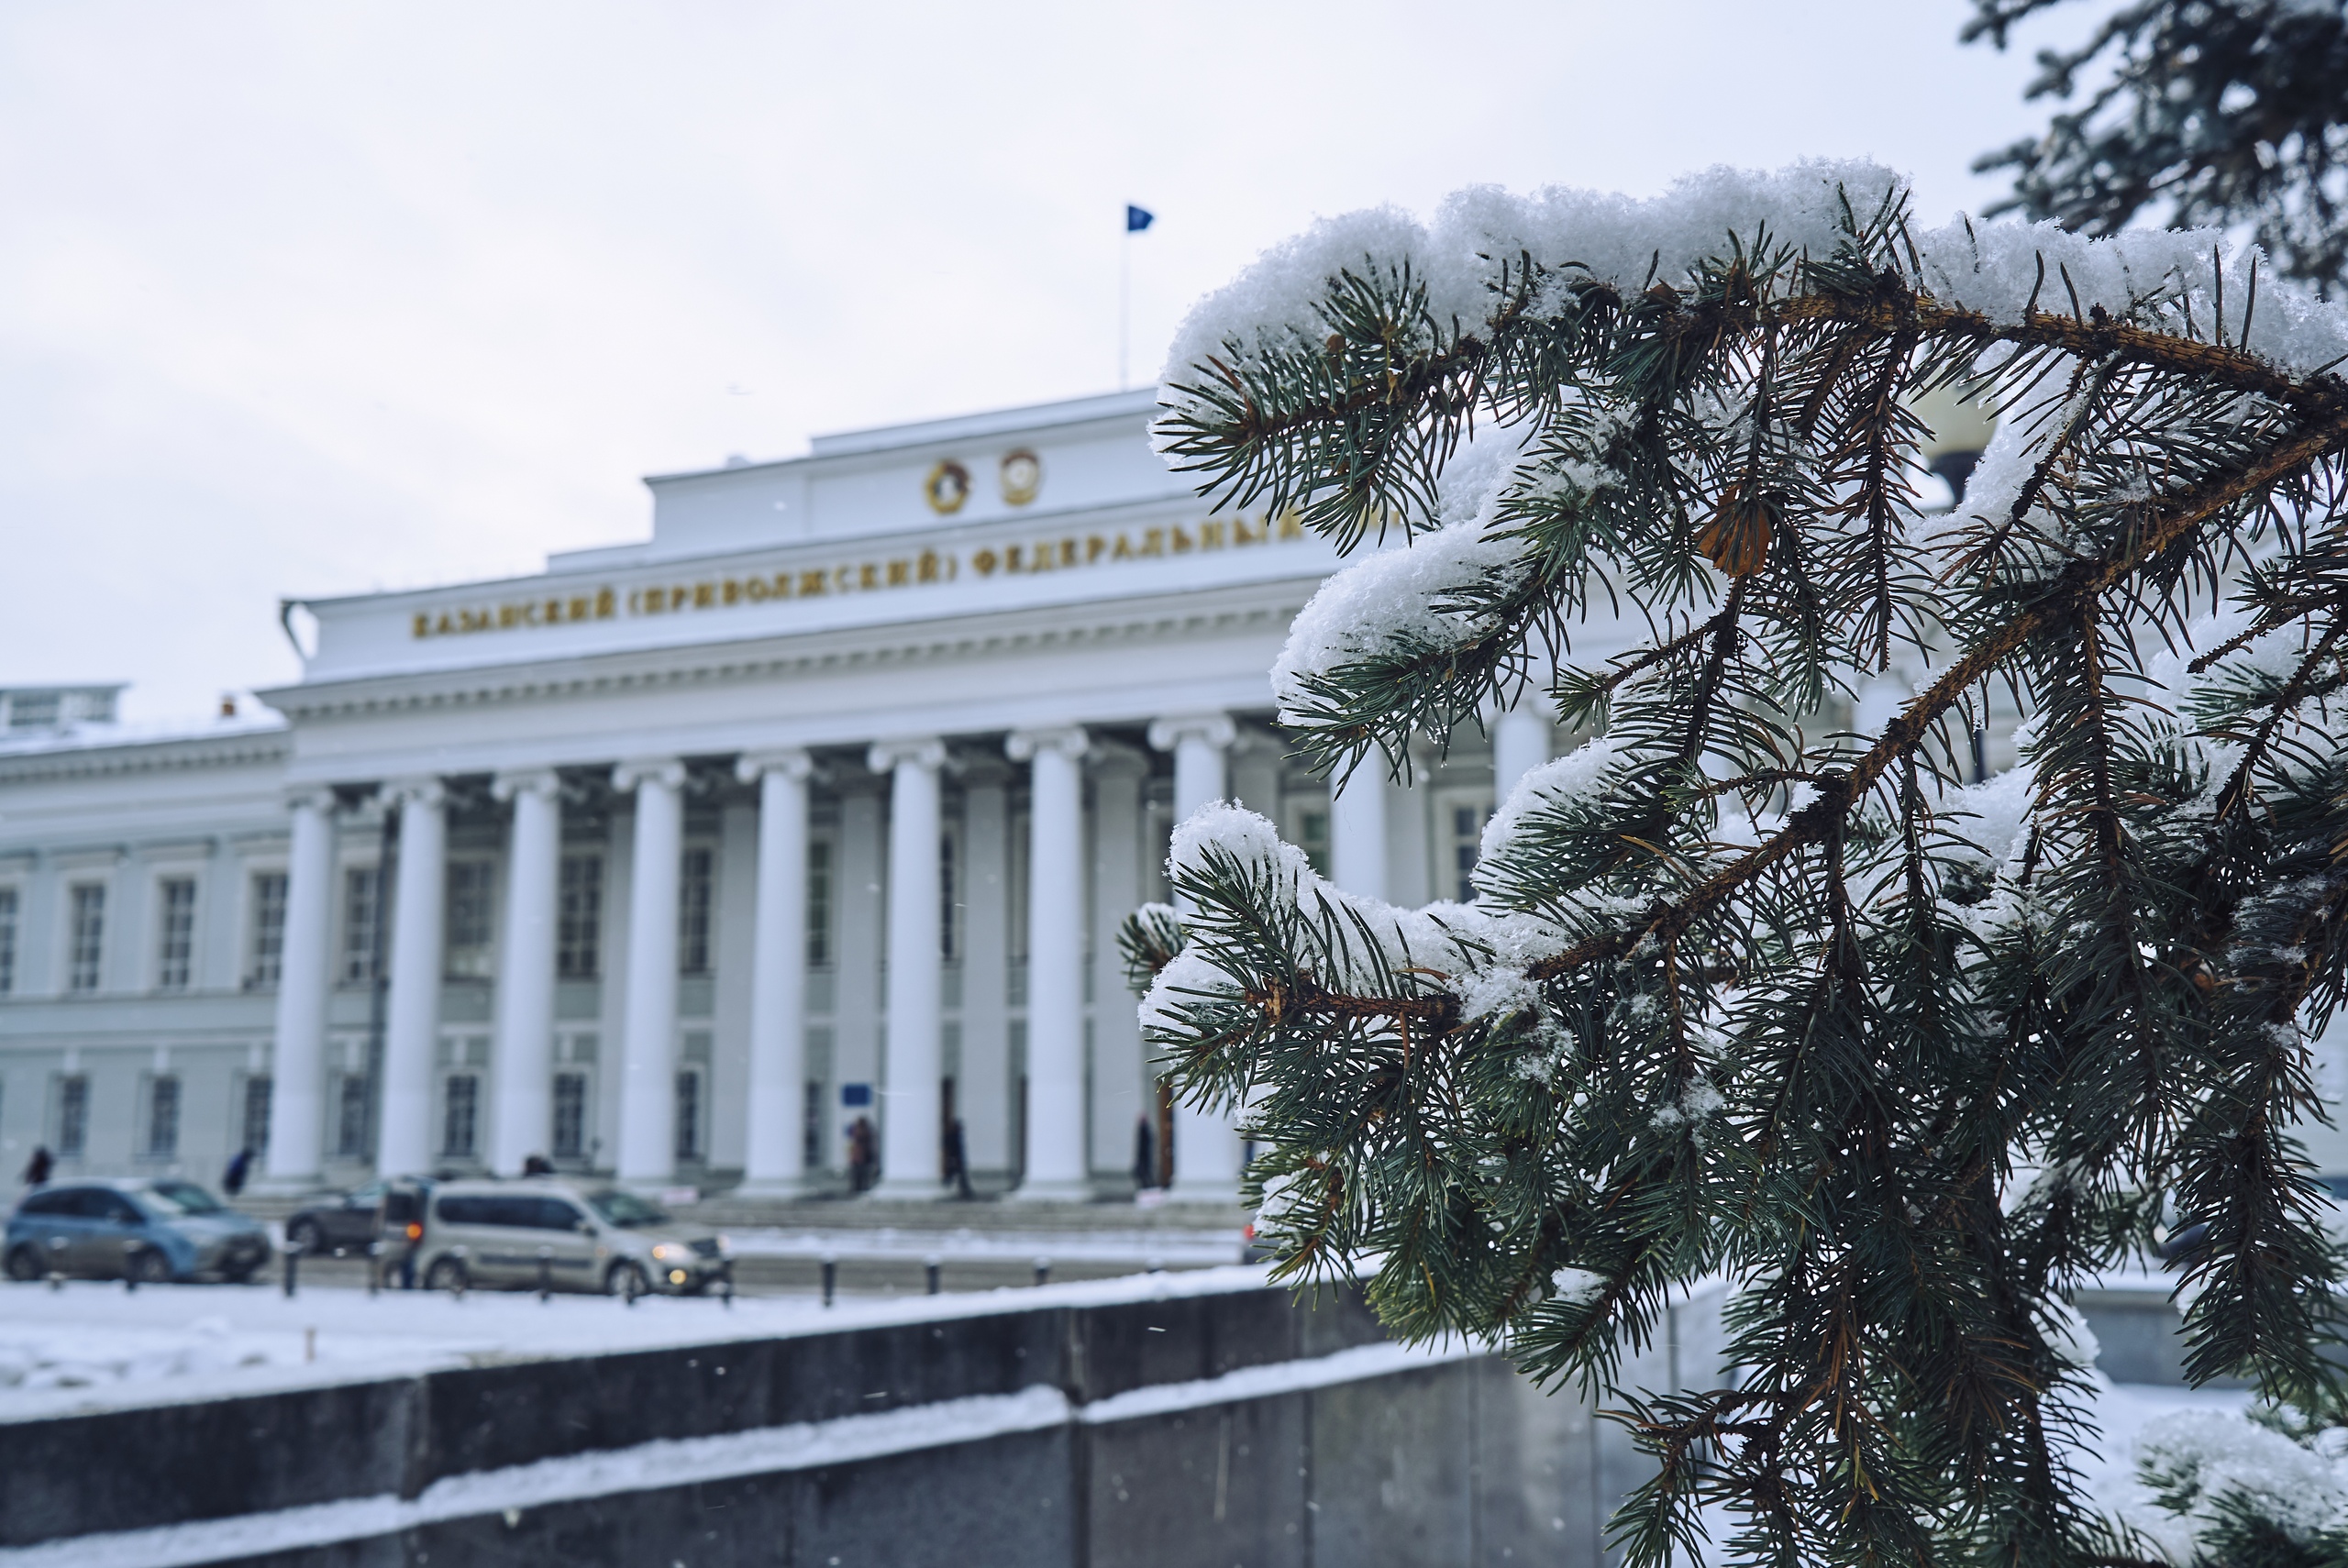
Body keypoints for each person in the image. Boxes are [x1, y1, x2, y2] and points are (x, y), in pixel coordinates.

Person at [943, 1119, 973, 1199]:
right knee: (956, 1175)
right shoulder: (954, 1136)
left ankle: (964, 1190)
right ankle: (946, 1186)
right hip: (955, 1159)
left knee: (959, 1177)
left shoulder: (956, 1136)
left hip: (956, 1159)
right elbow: (955, 1149)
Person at [847, 1115, 877, 1193]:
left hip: (861, 1155)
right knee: (860, 1173)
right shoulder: (864, 1132)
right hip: (861, 1155)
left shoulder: (859, 1131)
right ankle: (859, 1187)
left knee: (860, 1173)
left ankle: (859, 1187)